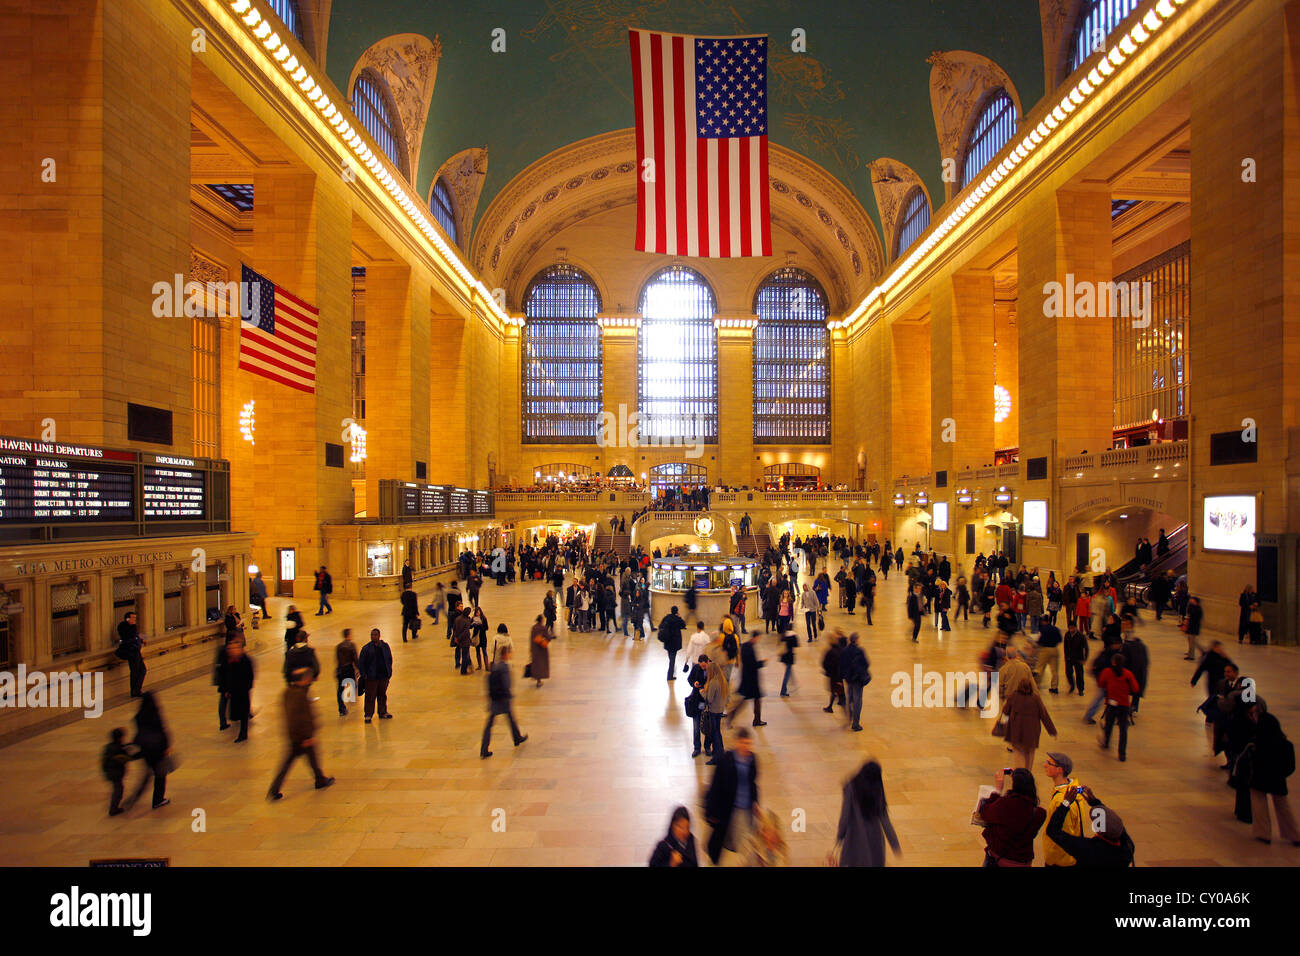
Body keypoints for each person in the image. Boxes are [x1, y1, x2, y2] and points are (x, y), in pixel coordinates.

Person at [268, 668, 335, 799]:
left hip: (297, 735)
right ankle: (275, 789)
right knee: (290, 763)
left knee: (311, 759)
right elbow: (298, 718)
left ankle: (319, 779)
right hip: (301, 737)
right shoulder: (298, 695)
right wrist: (306, 736)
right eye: (307, 678)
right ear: (302, 680)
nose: (309, 680)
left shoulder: (289, 692)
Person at [1244, 700, 1300, 845]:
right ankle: (1293, 834)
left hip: (1260, 775)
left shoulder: (1259, 744)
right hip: (1278, 778)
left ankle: (1263, 833)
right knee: (1283, 805)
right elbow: (1290, 767)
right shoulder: (1286, 745)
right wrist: (1282, 774)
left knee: (1259, 802)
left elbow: (1253, 760)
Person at [703, 727, 759, 865]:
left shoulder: (752, 760)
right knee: (721, 843)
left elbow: (752, 783)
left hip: (745, 810)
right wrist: (711, 812)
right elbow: (715, 786)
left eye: (748, 743)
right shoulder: (725, 760)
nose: (746, 747)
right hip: (728, 810)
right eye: (743, 743)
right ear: (737, 743)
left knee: (744, 845)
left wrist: (755, 802)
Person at [831, 760, 901, 867]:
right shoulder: (877, 791)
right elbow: (885, 821)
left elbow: (845, 815)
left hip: (854, 837)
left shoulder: (851, 787)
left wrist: (840, 835)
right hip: (874, 839)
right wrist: (894, 843)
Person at [1044, 785, 1135, 866]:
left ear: (1099, 830)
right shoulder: (1127, 847)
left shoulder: (1089, 849)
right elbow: (1117, 826)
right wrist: (1095, 803)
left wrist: (1065, 803)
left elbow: (1053, 831)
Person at [978, 768, 1046, 866]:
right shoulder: (1040, 813)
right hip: (1023, 861)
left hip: (1000, 858)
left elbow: (985, 813)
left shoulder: (1005, 804)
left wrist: (997, 790)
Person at [124, 692, 171, 811]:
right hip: (157, 750)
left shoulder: (139, 716)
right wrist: (166, 747)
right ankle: (158, 800)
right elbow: (162, 731)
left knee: (146, 775)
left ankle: (134, 798)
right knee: (160, 776)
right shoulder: (155, 714)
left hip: (145, 749)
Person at [1042, 752, 1088, 867]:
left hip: (1061, 860)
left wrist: (1052, 855)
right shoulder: (1071, 791)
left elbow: (1064, 833)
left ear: (1059, 770)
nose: (1045, 765)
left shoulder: (1062, 800)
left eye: (1049, 763)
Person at [481, 646, 527, 758]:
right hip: (502, 699)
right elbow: (507, 684)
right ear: (505, 655)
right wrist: (509, 694)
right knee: (509, 718)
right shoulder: (504, 667)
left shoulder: (495, 666)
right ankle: (516, 738)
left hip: (495, 698)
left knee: (494, 722)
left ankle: (516, 738)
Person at [1000, 681, 1057, 770]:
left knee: (1018, 752)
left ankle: (1020, 772)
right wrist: (1052, 731)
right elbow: (1044, 715)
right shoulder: (1035, 698)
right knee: (1030, 753)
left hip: (1016, 730)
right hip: (1032, 731)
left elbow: (1005, 711)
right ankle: (1028, 772)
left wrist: (1003, 725)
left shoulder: (1014, 696)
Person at [1096, 654, 1139, 762]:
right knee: (1123, 729)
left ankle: (1106, 743)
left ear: (1113, 662)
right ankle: (1122, 754)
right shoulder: (1128, 674)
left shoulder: (1107, 672)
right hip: (1124, 705)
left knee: (1109, 724)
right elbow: (1135, 688)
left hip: (1111, 703)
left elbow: (1101, 684)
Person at [729, 631, 768, 727]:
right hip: (751, 680)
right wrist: (762, 663)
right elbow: (752, 664)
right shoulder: (749, 648)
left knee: (755, 700)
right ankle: (732, 716)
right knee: (746, 701)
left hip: (748, 678)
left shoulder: (746, 646)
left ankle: (757, 719)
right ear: (755, 637)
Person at [218, 641, 254, 742]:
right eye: (229, 649)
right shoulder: (228, 660)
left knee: (243, 712)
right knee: (237, 712)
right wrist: (226, 689)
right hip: (234, 691)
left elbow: (249, 676)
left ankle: (243, 734)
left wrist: (246, 687)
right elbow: (225, 675)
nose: (231, 651)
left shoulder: (245, 660)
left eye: (233, 648)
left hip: (242, 691)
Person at [357, 628, 393, 723]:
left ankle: (382, 712)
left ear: (379, 636)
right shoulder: (366, 648)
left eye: (375, 635)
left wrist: (389, 672)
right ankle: (368, 715)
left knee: (382, 695)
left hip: (383, 676)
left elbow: (389, 659)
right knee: (370, 697)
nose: (373, 637)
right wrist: (365, 675)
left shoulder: (385, 646)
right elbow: (361, 663)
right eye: (372, 635)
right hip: (371, 678)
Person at [101, 727, 137, 816]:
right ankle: (113, 809)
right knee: (118, 790)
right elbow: (125, 758)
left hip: (110, 772)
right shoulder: (118, 749)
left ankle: (114, 807)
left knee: (118, 788)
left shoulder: (109, 747)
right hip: (115, 773)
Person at [840, 632, 870, 732]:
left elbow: (841, 665)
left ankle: (850, 715)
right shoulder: (859, 651)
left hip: (848, 679)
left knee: (850, 697)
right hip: (857, 679)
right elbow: (866, 663)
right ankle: (855, 723)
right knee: (858, 700)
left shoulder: (844, 651)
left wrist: (842, 676)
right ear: (856, 640)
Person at [701, 659, 729, 764]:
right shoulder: (722, 681)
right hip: (720, 710)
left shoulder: (713, 682)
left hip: (713, 711)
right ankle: (721, 752)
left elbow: (709, 699)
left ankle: (717, 756)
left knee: (714, 734)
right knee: (718, 732)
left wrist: (702, 692)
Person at [115, 611, 147, 698]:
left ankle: (137, 689)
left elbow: (135, 637)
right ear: (127, 619)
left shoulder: (132, 627)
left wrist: (141, 640)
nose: (134, 620)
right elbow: (130, 638)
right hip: (131, 652)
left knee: (141, 670)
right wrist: (138, 640)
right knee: (136, 671)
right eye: (133, 618)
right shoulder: (125, 628)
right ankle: (135, 691)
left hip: (135, 651)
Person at [657, 604, 686, 681]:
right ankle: (669, 676)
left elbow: (660, 626)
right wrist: (680, 617)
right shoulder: (677, 619)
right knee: (672, 659)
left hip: (667, 641)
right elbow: (683, 625)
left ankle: (671, 672)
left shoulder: (666, 618)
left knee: (671, 657)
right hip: (674, 642)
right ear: (677, 612)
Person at [335, 629, 359, 717]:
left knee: (340, 689)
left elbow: (337, 659)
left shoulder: (339, 646)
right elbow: (355, 659)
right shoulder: (352, 645)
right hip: (349, 668)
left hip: (341, 669)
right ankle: (350, 697)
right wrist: (359, 669)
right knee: (353, 684)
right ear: (349, 635)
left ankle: (341, 709)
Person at [1035, 617, 1062, 694]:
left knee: (1040, 668)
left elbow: (1040, 640)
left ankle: (1036, 685)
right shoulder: (1056, 629)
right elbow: (1060, 639)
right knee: (1054, 670)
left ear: (1044, 621)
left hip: (1045, 650)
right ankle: (1054, 687)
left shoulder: (1043, 629)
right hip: (1054, 649)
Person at [1063, 626, 1088, 696]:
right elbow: (1065, 646)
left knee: (1079, 674)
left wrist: (1085, 658)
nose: (1071, 630)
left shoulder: (1081, 636)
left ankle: (1080, 689)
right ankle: (1072, 685)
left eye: (1072, 628)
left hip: (1078, 658)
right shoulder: (1067, 635)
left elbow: (1086, 648)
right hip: (1069, 658)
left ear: (1076, 628)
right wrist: (1066, 657)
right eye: (1070, 628)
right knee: (1068, 673)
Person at [528, 615, 551, 688]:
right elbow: (548, 637)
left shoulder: (533, 628)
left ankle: (536, 678)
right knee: (541, 664)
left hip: (535, 649)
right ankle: (539, 680)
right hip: (542, 650)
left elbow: (531, 639)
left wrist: (531, 649)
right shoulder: (543, 628)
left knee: (536, 664)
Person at [778, 628, 799, 697]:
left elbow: (779, 643)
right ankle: (783, 691)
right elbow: (796, 645)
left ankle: (792, 682)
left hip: (784, 657)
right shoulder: (793, 636)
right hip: (789, 657)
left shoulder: (784, 634)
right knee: (787, 674)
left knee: (789, 670)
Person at [1182, 595, 1204, 660]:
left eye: (1192, 600)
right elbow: (1188, 613)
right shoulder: (1192, 607)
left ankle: (1191, 656)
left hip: (1194, 627)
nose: (1191, 600)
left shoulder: (1198, 609)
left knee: (1193, 642)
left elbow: (1195, 618)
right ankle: (1190, 652)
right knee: (1190, 641)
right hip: (1190, 626)